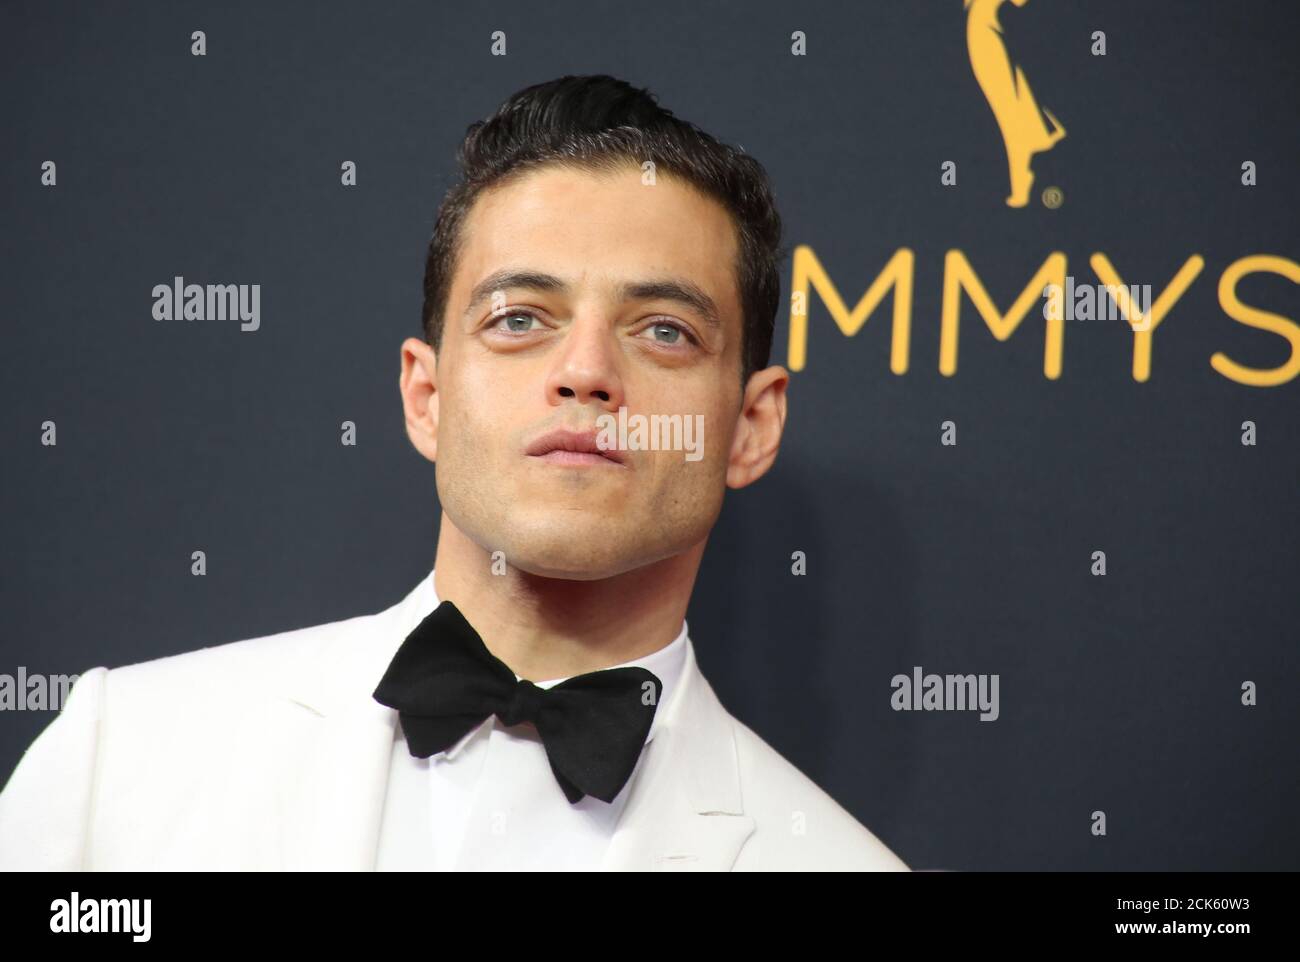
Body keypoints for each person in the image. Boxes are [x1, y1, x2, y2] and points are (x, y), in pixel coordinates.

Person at [0, 74, 908, 872]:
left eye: (664, 330)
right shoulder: (120, 761)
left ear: (751, 426)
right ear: (425, 396)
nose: (585, 370)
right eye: (520, 319)